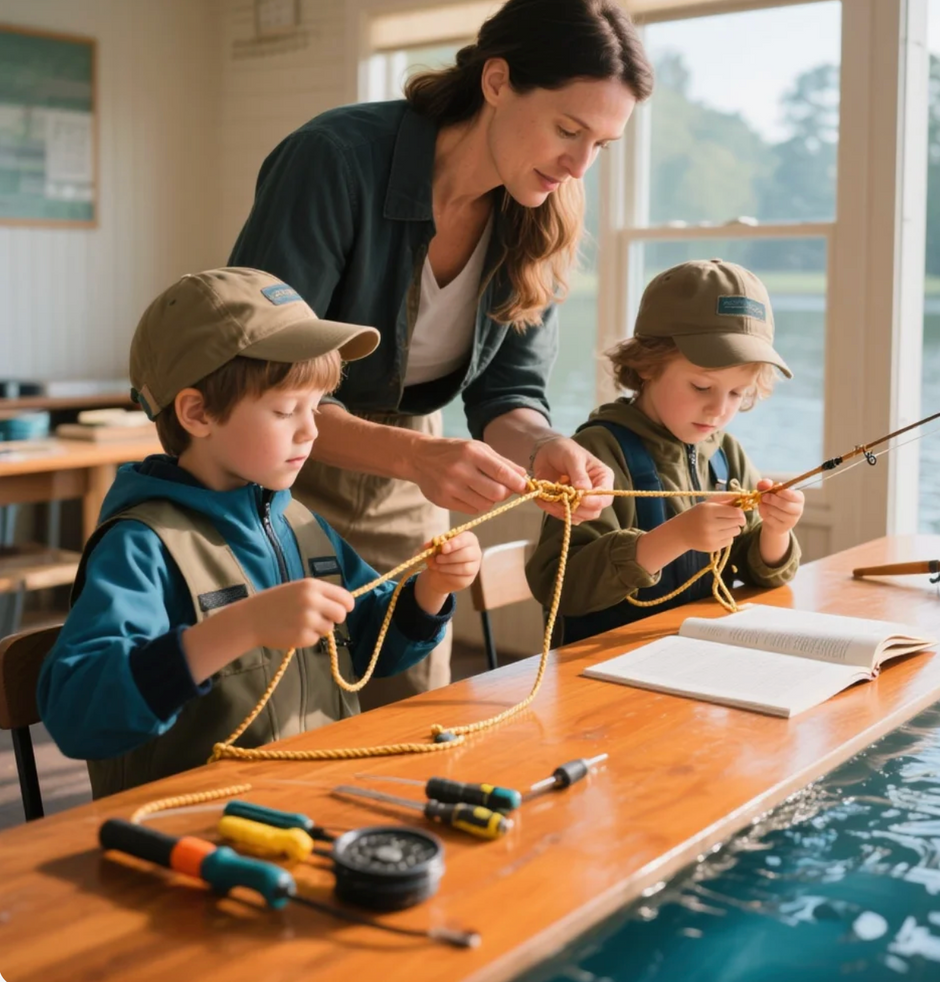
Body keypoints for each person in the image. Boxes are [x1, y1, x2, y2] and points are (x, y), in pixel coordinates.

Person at [227, 0, 653, 703]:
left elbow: (507, 396)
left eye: (601, 146)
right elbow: (262, 385)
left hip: (407, 485)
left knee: (413, 712)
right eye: (568, 130)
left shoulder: (543, 215)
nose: (578, 165)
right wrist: (418, 458)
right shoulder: (334, 160)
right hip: (268, 478)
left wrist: (542, 444)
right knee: (278, 710)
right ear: (496, 82)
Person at [37, 268, 481, 798]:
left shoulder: (299, 522)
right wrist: (239, 627)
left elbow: (367, 648)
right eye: (285, 410)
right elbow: (78, 713)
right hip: (187, 835)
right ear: (197, 412)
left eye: (316, 407)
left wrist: (430, 592)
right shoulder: (142, 546)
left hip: (313, 801)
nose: (311, 429)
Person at [525, 260, 805, 645]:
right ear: (646, 366)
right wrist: (675, 537)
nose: (719, 410)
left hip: (694, 661)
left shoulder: (725, 453)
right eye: (702, 387)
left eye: (737, 393)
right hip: (600, 673)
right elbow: (562, 588)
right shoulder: (598, 453)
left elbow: (762, 574)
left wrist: (776, 531)